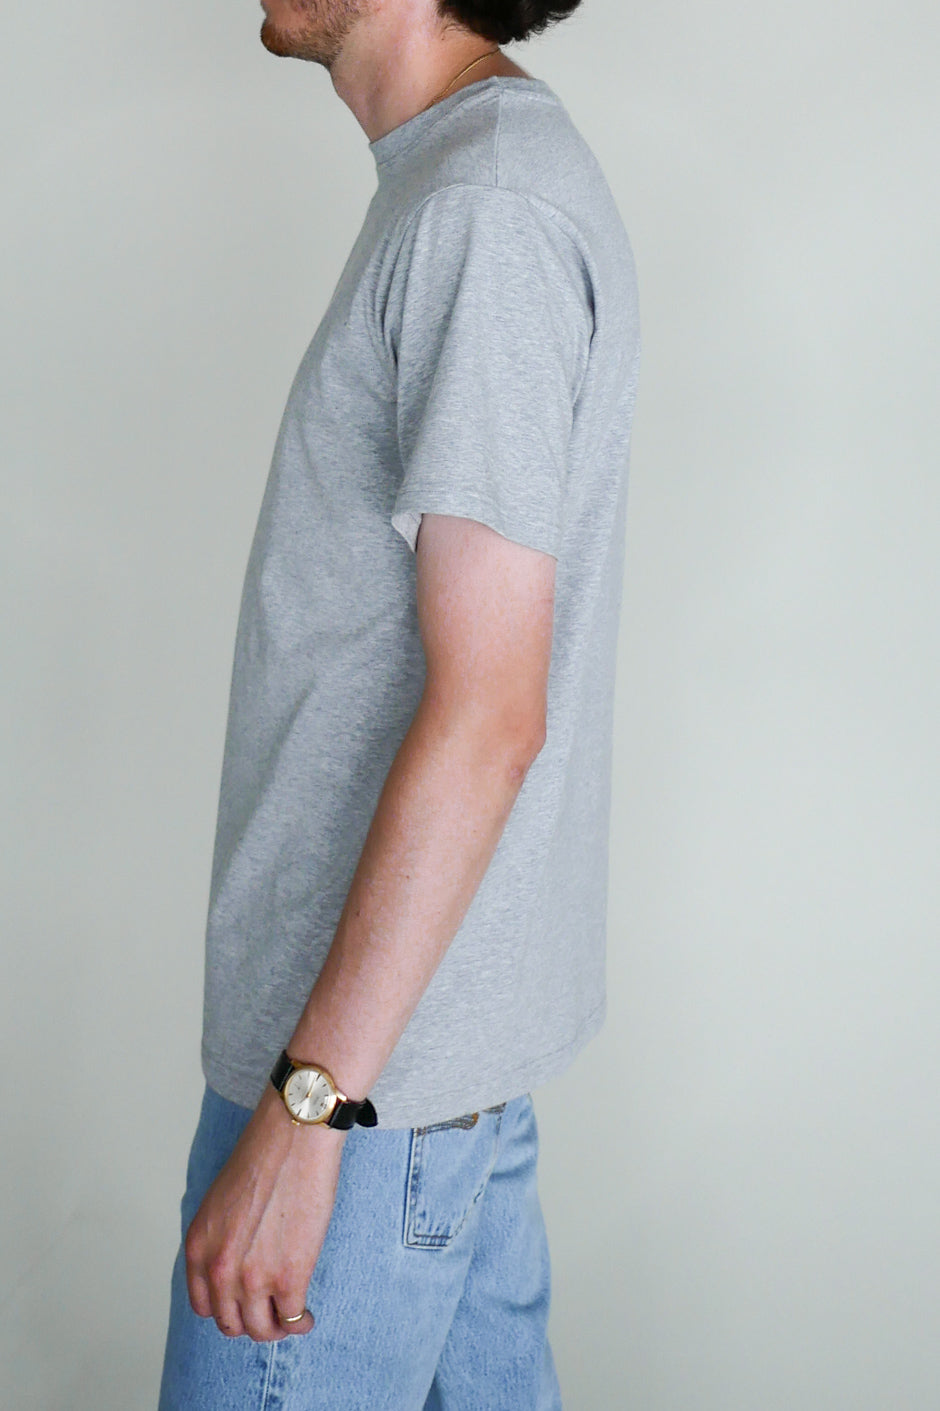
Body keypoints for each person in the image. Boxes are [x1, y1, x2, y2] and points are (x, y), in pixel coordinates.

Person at [157, 0, 640, 1406]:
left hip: (364, 1101)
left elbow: (491, 717)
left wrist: (310, 1108)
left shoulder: (484, 212)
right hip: (419, 1086)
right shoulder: (466, 182)